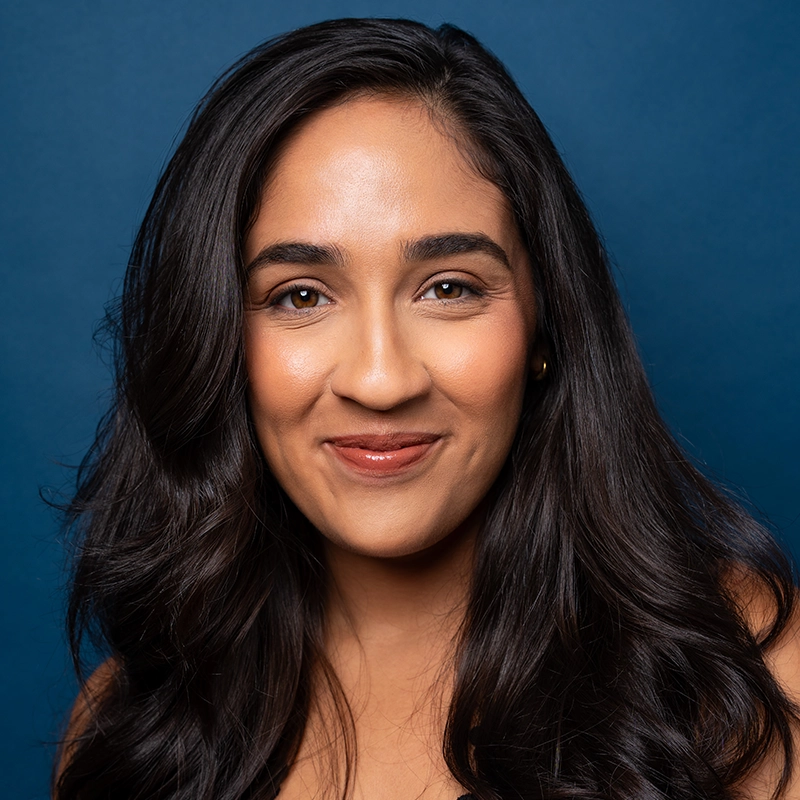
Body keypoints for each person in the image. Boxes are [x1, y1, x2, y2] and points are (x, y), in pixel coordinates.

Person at [54, 17, 799, 800]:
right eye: (300, 296)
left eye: (450, 288)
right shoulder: (123, 727)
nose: (381, 380)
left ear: (547, 325)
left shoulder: (745, 678)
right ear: (218, 343)